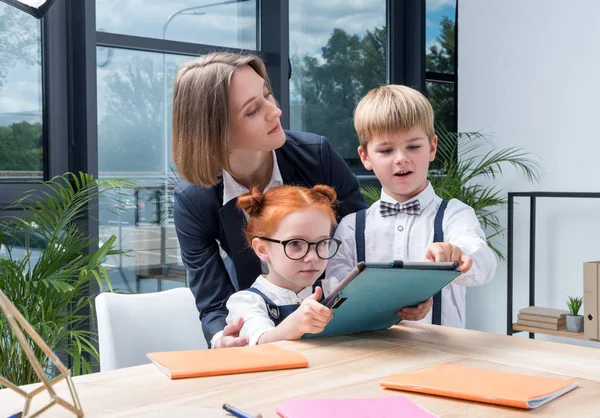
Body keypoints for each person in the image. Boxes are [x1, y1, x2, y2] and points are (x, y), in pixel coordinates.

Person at [171, 52, 367, 348]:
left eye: (267, 94)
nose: (275, 111)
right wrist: (222, 339)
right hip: (261, 332)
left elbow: (364, 242)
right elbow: (213, 304)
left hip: (340, 328)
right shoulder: (193, 200)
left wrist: (392, 299)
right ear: (214, 131)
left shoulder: (318, 156)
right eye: (252, 110)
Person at [326, 85, 497, 328]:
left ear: (432, 147)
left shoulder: (455, 215)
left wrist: (458, 254)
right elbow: (336, 287)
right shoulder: (352, 226)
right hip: (373, 353)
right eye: (386, 150)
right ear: (365, 157)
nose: (401, 158)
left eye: (413, 147)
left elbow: (483, 262)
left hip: (443, 355)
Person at [225, 184, 339, 345]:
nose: (313, 257)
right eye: (295, 243)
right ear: (262, 249)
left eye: (322, 243)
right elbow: (260, 343)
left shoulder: (333, 289)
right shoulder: (247, 302)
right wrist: (294, 325)